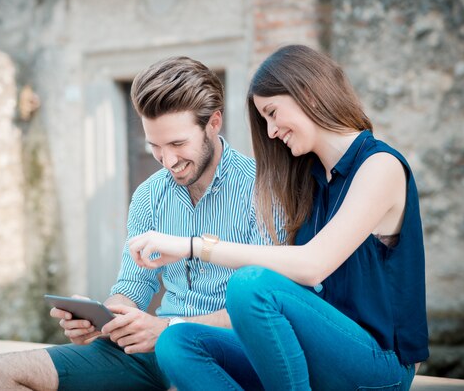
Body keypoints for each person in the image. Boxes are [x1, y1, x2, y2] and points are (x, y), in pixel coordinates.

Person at [129, 44, 429, 391]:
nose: (271, 132)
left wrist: (194, 247)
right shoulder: (309, 179)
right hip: (312, 352)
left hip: (378, 364)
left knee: (249, 285)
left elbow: (313, 265)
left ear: (309, 96)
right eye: (264, 120)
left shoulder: (380, 166)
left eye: (272, 113)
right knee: (178, 343)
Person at [0, 56, 270, 391]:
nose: (168, 161)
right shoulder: (148, 195)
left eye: (178, 144)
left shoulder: (264, 190)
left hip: (225, 357)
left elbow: (264, 311)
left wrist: (169, 327)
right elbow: (132, 288)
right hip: (149, 353)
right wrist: (103, 319)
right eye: (154, 146)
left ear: (213, 123)